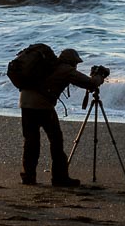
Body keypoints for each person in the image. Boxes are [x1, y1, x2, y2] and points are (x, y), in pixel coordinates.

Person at [18, 47, 105, 187]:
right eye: (76, 63)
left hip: (25, 102)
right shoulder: (65, 69)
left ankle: (28, 177)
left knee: (31, 141)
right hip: (42, 105)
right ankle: (59, 177)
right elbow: (90, 83)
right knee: (56, 140)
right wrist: (99, 77)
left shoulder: (47, 65)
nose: (76, 66)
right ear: (71, 61)